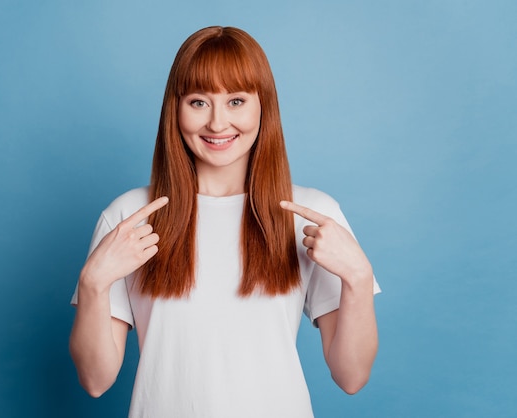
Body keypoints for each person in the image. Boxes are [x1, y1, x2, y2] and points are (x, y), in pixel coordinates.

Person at [69, 26, 380, 418]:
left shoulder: (309, 214)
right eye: (199, 102)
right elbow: (95, 381)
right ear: (175, 109)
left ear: (262, 106)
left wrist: (359, 277)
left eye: (236, 101)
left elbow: (351, 376)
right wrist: (92, 284)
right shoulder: (130, 217)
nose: (217, 124)